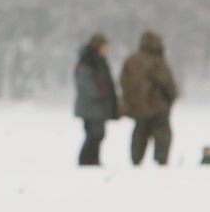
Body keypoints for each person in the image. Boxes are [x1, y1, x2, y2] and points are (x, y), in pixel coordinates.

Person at [120, 31, 179, 167]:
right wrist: (171, 96)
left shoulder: (131, 60)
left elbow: (124, 81)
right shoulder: (156, 61)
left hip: (138, 105)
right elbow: (166, 82)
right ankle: (161, 159)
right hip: (157, 103)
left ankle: (136, 159)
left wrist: (129, 100)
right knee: (162, 132)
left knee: (140, 132)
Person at [73, 33, 119, 167]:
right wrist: (100, 94)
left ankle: (93, 160)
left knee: (99, 134)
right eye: (105, 46)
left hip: (98, 107)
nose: (106, 49)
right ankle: (86, 161)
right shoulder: (87, 62)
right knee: (93, 134)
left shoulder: (99, 61)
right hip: (90, 106)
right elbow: (86, 84)